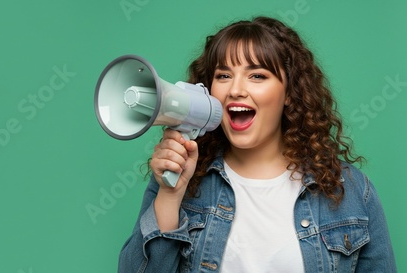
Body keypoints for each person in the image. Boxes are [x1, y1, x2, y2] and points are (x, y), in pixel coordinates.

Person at [118, 16, 397, 272]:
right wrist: (169, 197)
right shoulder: (176, 182)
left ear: (289, 93)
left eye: (257, 75)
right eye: (223, 76)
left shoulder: (351, 191)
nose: (236, 89)